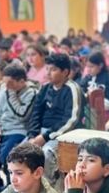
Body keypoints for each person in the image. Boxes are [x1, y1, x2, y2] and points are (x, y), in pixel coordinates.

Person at [27, 53, 83, 183]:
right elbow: (36, 112)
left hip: (63, 136)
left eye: (53, 70)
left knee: (46, 153)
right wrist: (32, 135)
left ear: (65, 72)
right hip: (41, 133)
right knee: (20, 151)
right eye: (47, 69)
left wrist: (45, 137)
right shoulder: (45, 88)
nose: (48, 73)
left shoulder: (72, 89)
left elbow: (71, 120)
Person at [0, 64, 37, 193]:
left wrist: (12, 94)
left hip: (19, 131)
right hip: (2, 131)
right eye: (5, 82)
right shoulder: (5, 91)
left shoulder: (31, 93)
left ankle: (11, 190)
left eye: (10, 83)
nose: (6, 86)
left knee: (7, 156)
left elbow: (22, 115)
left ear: (21, 81)